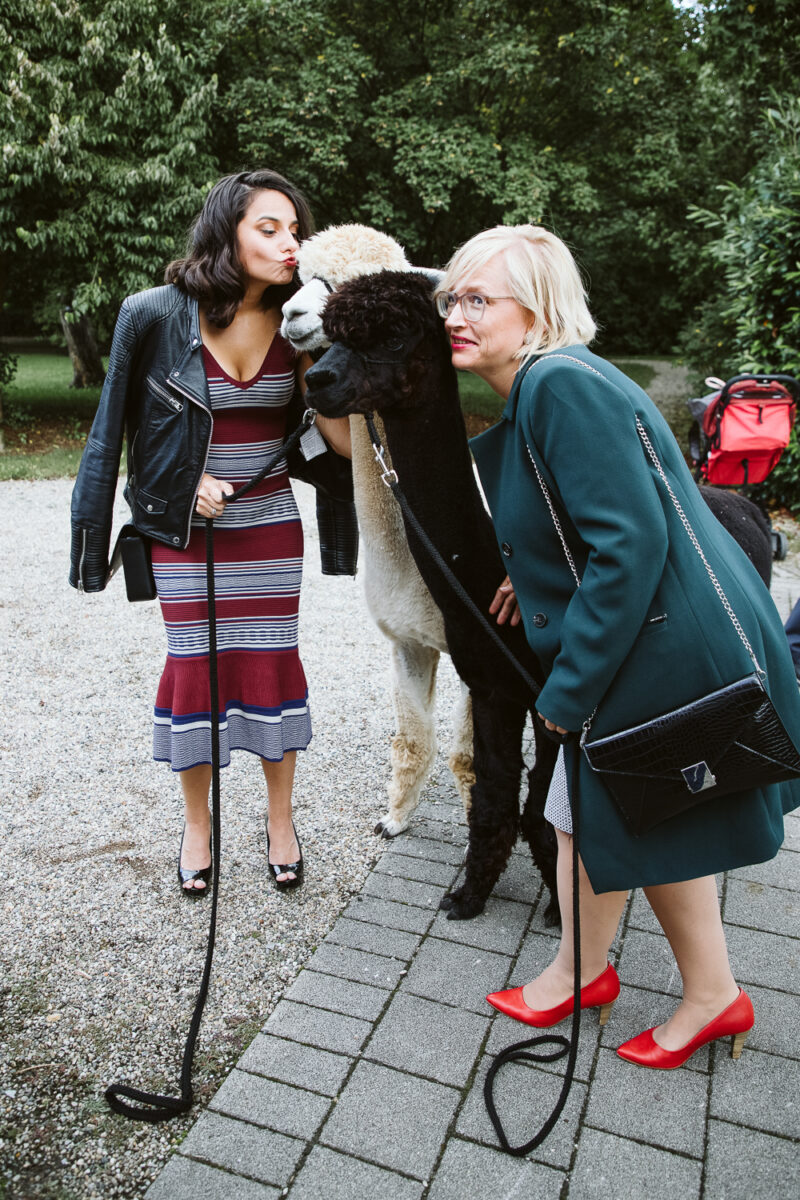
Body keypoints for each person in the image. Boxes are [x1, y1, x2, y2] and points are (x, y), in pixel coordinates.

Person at [434, 224, 800, 1069]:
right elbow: (590, 522)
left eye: (479, 298)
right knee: (609, 811)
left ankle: (691, 992)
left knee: (636, 806)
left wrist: (567, 692)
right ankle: (589, 970)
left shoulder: (560, 385)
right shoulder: (543, 386)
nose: (457, 312)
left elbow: (629, 546)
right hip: (655, 634)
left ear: (538, 311)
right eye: (453, 296)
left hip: (661, 644)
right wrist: (536, 575)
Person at [69, 169, 353, 896]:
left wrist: (327, 361)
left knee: (270, 664)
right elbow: (113, 435)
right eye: (269, 227)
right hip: (183, 532)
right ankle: (199, 824)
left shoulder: (305, 321)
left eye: (295, 230)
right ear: (227, 229)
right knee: (195, 666)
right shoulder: (154, 314)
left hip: (268, 526)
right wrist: (172, 489)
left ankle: (280, 820)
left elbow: (342, 448)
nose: (289, 242)